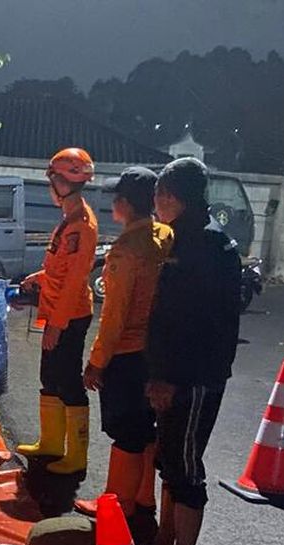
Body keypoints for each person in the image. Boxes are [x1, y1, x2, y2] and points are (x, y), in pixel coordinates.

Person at [145, 157, 241, 545]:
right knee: (170, 461)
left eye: (165, 194)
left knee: (185, 469)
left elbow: (195, 325)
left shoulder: (206, 247)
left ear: (180, 196)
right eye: (158, 194)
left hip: (193, 379)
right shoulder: (184, 239)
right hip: (176, 375)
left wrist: (168, 378)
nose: (159, 202)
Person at [75, 168, 174, 520]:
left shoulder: (126, 250)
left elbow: (115, 316)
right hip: (158, 353)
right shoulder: (165, 235)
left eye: (116, 199)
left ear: (125, 204)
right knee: (147, 431)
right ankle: (144, 500)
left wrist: (97, 362)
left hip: (128, 355)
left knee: (126, 434)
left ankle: (116, 507)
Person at [16, 148, 99, 474]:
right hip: (57, 312)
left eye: (52, 179)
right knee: (49, 377)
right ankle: (51, 443)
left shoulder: (81, 225)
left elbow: (75, 281)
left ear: (62, 182)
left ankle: (76, 456)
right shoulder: (69, 219)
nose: (50, 186)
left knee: (67, 381)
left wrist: (57, 325)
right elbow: (62, 269)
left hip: (70, 315)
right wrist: (39, 278)